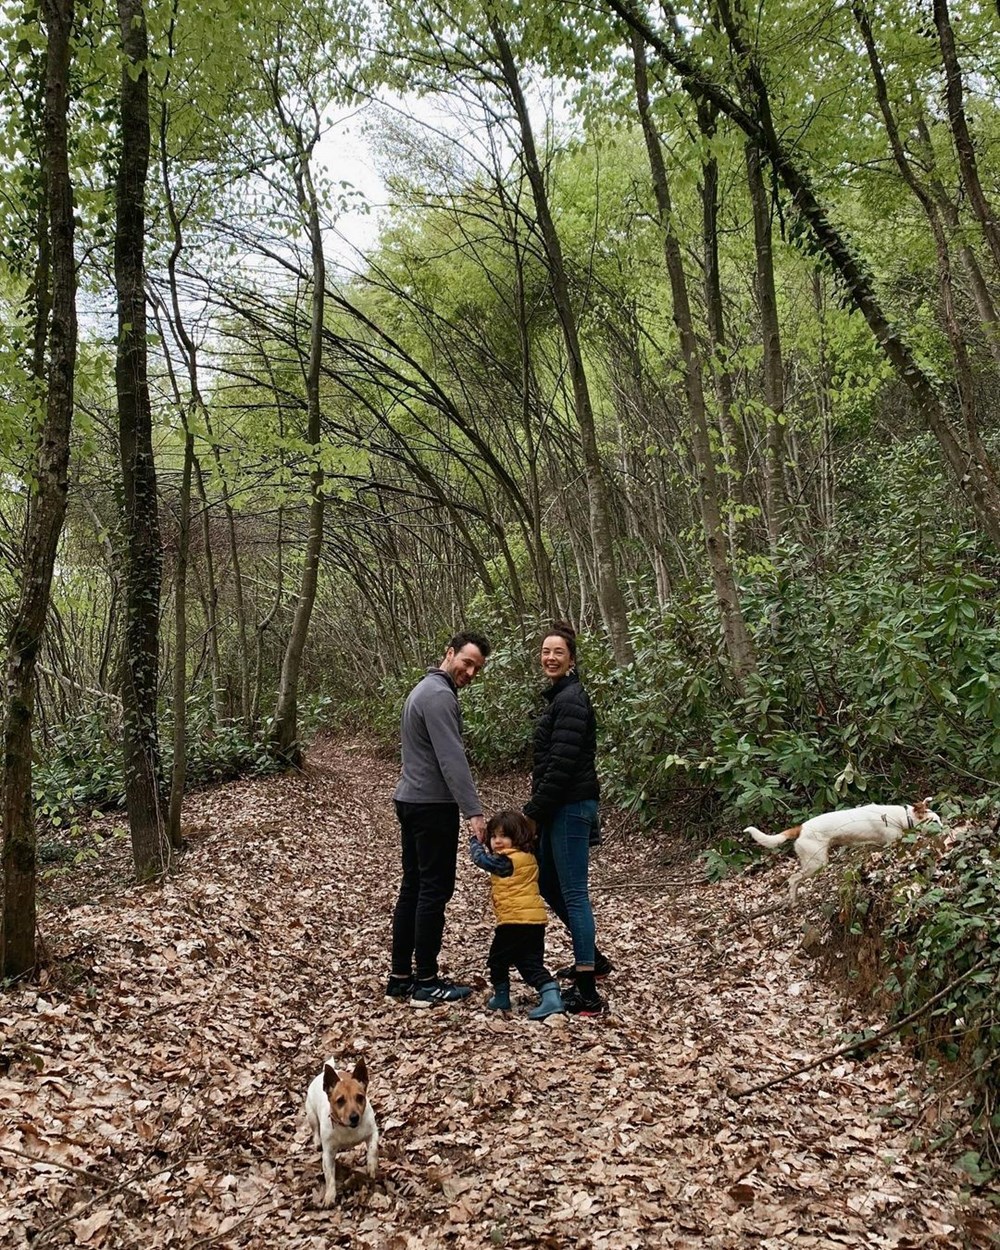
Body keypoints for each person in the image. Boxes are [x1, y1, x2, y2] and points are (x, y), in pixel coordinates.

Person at [386, 630, 491, 1007]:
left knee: (414, 887)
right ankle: (426, 982)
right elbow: (452, 759)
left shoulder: (422, 690)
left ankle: (401, 976)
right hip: (431, 805)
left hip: (411, 800)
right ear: (449, 654)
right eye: (467, 662)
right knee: (433, 890)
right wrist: (474, 812)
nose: (471, 672)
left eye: (477, 668)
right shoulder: (439, 695)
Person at [523, 622, 611, 1016]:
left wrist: (531, 814)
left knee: (574, 893)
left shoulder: (572, 699)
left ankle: (588, 991)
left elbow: (561, 765)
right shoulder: (560, 698)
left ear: (571, 659)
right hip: (560, 806)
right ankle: (592, 957)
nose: (550, 657)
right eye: (545, 651)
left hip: (570, 806)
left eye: (558, 652)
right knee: (546, 880)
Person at [468, 809, 565, 1020]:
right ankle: (550, 994)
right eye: (493, 836)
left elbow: (483, 861)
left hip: (515, 921)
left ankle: (501, 996)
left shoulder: (508, 861)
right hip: (533, 921)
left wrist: (475, 843)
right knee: (529, 962)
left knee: (497, 959)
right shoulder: (528, 856)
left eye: (504, 836)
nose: (497, 841)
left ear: (517, 837)